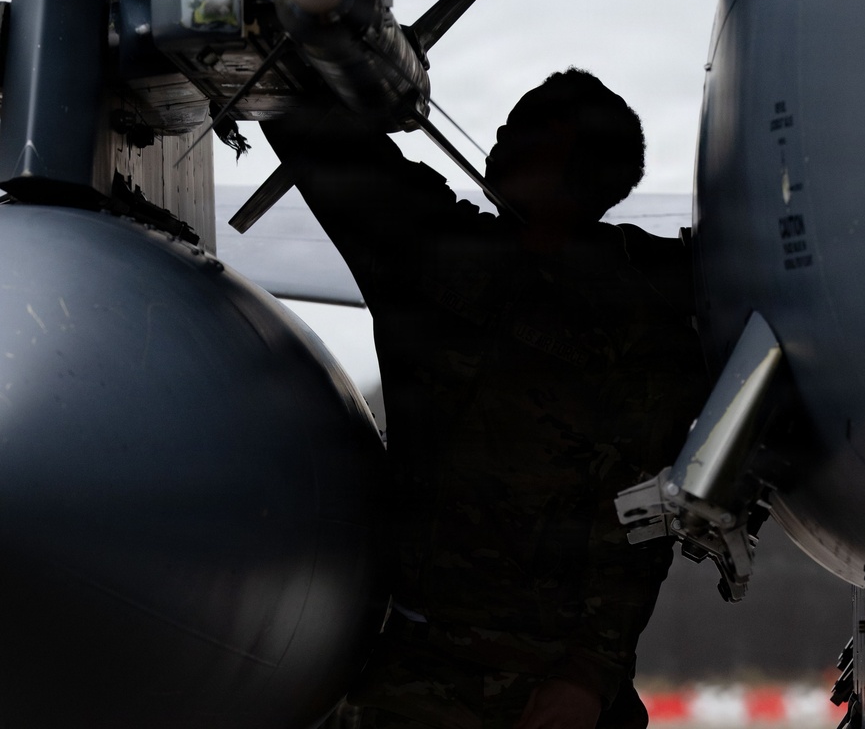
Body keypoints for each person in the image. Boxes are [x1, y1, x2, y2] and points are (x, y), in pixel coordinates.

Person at [264, 69, 709, 729]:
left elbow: (640, 515)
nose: (501, 137)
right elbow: (323, 139)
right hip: (439, 679)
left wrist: (586, 678)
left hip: (527, 692)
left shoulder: (444, 261)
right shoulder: (647, 300)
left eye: (529, 129)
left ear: (573, 160)